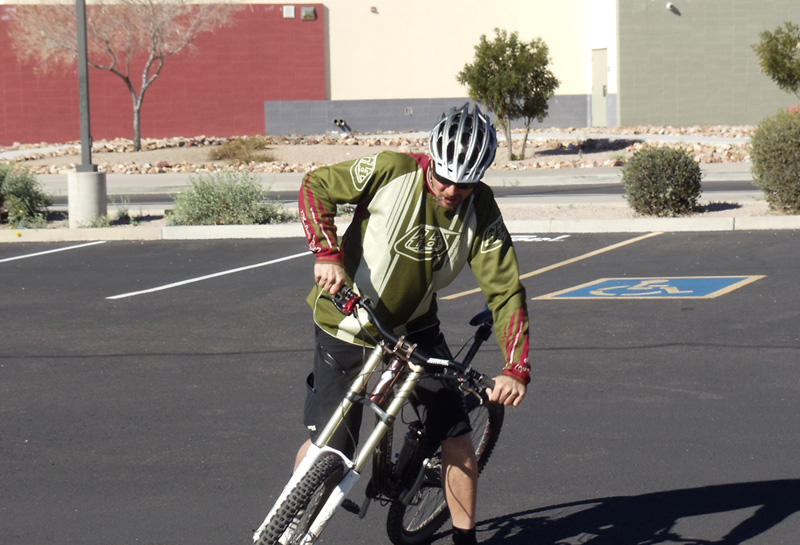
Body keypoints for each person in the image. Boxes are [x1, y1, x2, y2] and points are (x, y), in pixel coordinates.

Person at [296, 103, 531, 545]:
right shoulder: (392, 170)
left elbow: (505, 291)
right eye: (442, 178)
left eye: (462, 185)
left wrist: (516, 368)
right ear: (431, 159)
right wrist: (326, 253)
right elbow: (315, 187)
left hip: (414, 328)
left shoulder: (480, 209)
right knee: (332, 448)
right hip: (345, 320)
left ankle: (465, 539)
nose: (449, 190)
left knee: (456, 435)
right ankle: (290, 526)